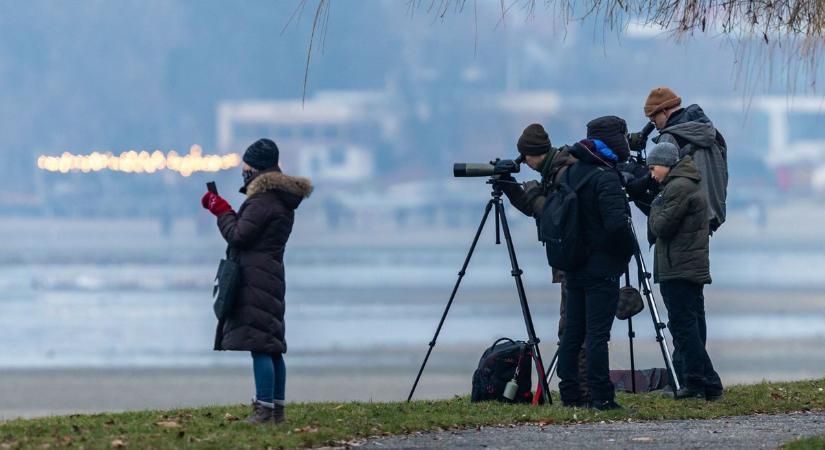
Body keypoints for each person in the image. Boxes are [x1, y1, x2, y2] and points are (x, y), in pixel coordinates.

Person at [201, 138, 313, 424]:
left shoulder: (263, 200)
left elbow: (239, 236)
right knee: (272, 345)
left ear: (257, 170)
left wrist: (220, 209)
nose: (243, 173)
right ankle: (277, 411)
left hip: (254, 277)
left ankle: (264, 411)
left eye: (246, 169)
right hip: (271, 274)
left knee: (261, 345)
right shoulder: (280, 198)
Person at [500, 123, 587, 400]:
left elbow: (553, 216)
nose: (524, 163)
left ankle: (580, 389)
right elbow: (536, 210)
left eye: (525, 157)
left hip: (575, 259)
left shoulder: (563, 172)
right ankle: (577, 388)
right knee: (573, 325)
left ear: (534, 154)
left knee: (573, 326)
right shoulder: (555, 168)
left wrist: (535, 193)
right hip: (570, 258)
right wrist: (512, 188)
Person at [555, 116, 635, 410]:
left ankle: (570, 394)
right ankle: (602, 396)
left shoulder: (571, 172)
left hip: (573, 264)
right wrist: (629, 250)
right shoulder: (606, 176)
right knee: (598, 335)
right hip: (601, 268)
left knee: (573, 332)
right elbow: (616, 225)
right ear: (614, 141)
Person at [646, 142, 723, 401]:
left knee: (684, 329)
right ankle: (708, 384)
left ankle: (697, 384)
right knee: (690, 327)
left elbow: (661, 227)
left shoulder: (677, 188)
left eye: (653, 167)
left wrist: (654, 204)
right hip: (687, 267)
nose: (651, 173)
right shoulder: (685, 184)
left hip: (678, 268)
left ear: (667, 165)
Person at [644, 86, 728, 232]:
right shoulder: (713, 134)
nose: (654, 124)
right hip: (712, 213)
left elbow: (660, 180)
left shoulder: (669, 137)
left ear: (664, 111)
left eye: (653, 118)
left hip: (686, 217)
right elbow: (724, 173)